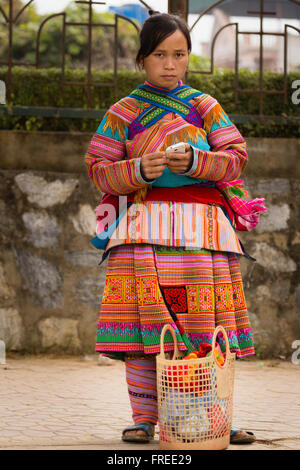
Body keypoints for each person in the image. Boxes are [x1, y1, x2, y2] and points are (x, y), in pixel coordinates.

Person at [85, 11, 265, 444]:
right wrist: (139, 168)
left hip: (202, 234)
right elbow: (98, 170)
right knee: (145, 326)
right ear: (142, 57)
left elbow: (236, 159)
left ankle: (213, 417)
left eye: (179, 54)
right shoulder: (121, 112)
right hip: (142, 231)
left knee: (204, 325)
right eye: (159, 54)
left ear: (189, 58)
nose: (170, 64)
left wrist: (198, 163)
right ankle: (144, 419)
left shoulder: (206, 107)